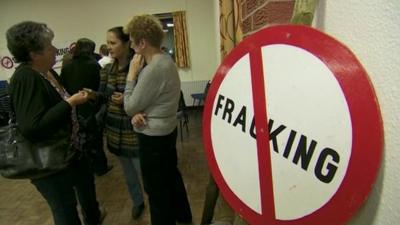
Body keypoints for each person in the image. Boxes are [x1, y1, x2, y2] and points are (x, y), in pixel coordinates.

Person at [6, 21, 104, 225]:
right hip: (49, 165)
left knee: (87, 194)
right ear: (34, 53)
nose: (54, 50)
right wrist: (70, 103)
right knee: (65, 211)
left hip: (70, 153)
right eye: (49, 46)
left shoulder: (47, 72)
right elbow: (32, 126)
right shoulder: (26, 77)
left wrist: (82, 97)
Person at [123, 14, 192, 225]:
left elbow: (130, 106)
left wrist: (131, 76)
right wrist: (139, 110)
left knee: (155, 189)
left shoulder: (152, 69)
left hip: (153, 137)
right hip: (166, 131)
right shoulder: (165, 60)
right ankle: (184, 217)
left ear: (142, 43)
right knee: (171, 177)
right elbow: (148, 101)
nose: (132, 47)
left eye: (133, 43)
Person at [96, 26, 145, 219]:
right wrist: (94, 95)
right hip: (115, 130)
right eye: (107, 42)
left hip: (136, 129)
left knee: (145, 173)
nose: (109, 47)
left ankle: (159, 204)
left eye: (113, 43)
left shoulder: (140, 66)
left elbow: (146, 98)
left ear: (126, 44)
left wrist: (125, 99)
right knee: (129, 174)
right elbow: (103, 95)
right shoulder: (107, 69)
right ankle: (137, 202)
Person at [60, 37, 112, 176]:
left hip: (74, 106)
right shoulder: (94, 65)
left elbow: (63, 86)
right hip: (91, 105)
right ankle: (100, 167)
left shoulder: (67, 67)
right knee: (96, 138)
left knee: (80, 139)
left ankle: (87, 166)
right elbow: (101, 88)